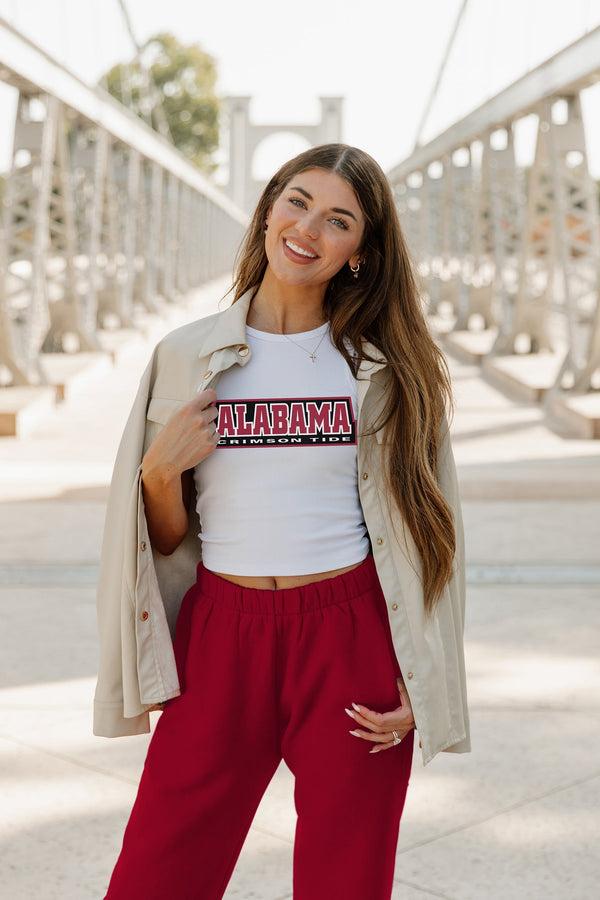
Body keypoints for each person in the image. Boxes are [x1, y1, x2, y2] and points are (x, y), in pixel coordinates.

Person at [98, 142, 471, 900]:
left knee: (346, 882)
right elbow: (162, 539)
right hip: (221, 639)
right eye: (297, 201)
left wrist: (421, 674)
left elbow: (434, 534)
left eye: (339, 220)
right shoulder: (185, 356)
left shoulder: (385, 368)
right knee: (155, 876)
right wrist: (159, 469)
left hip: (350, 641)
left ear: (360, 253)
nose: (308, 228)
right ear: (270, 207)